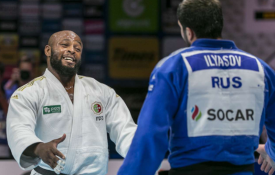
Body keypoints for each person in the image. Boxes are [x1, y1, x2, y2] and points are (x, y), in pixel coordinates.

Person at [118, 0, 275, 175]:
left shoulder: (174, 67)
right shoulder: (262, 70)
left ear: (188, 32)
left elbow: (150, 136)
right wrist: (272, 150)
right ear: (219, 25)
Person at [7, 30, 137, 175]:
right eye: (64, 45)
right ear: (48, 50)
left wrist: (142, 155)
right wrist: (38, 147)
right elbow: (18, 129)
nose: (72, 50)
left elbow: (125, 130)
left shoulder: (101, 92)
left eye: (78, 48)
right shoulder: (28, 93)